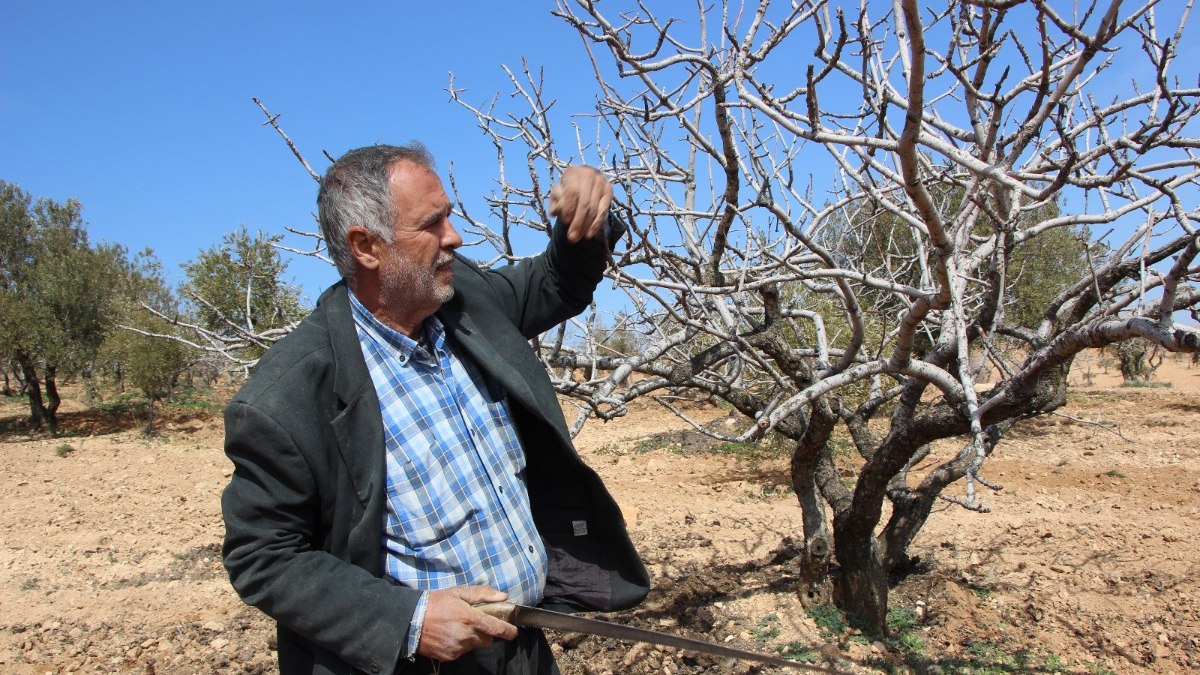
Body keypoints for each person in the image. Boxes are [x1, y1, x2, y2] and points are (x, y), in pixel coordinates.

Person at [221, 143, 649, 675]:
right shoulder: (289, 395)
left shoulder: (463, 299)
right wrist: (411, 619)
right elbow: (262, 556)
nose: (455, 236)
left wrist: (586, 213)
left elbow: (555, 281)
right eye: (433, 223)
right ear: (366, 246)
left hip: (523, 645)